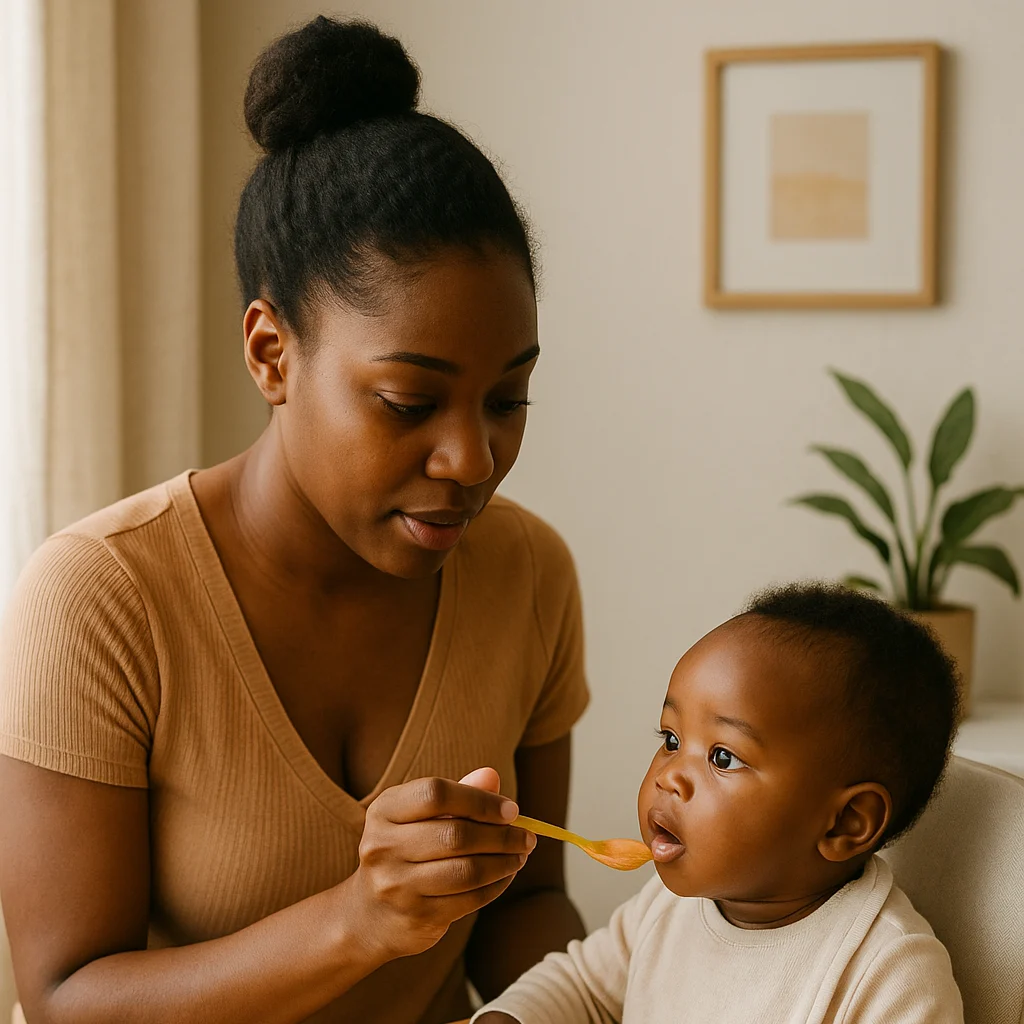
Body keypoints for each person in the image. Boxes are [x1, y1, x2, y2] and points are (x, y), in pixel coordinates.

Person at [0, 16, 590, 1024]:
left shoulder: (527, 572)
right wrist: (360, 919)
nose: (472, 461)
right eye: (409, 403)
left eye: (506, 400)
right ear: (272, 353)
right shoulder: (98, 596)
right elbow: (66, 999)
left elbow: (521, 902)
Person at [472, 583, 964, 1023]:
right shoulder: (665, 909)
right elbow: (580, 988)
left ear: (845, 822)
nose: (669, 777)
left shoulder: (889, 977)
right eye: (670, 739)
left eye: (723, 757)